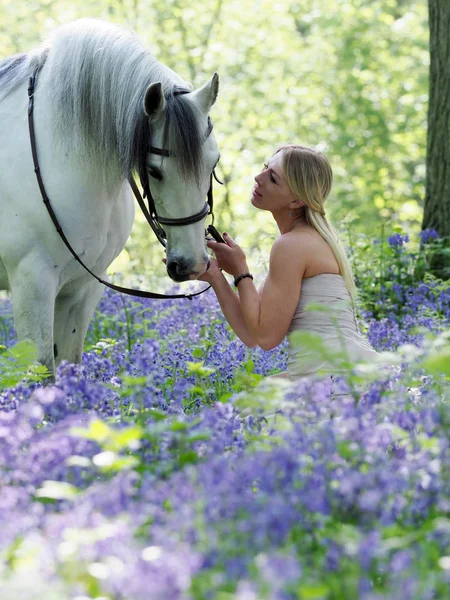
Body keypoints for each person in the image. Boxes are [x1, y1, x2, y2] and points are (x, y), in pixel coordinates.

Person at [199, 144, 379, 381]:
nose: (258, 177)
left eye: (272, 178)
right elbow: (251, 333)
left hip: (332, 378)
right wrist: (216, 276)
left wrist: (241, 271)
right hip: (343, 372)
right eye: (265, 167)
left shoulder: (292, 246)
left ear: (296, 201)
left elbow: (265, 338)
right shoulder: (304, 240)